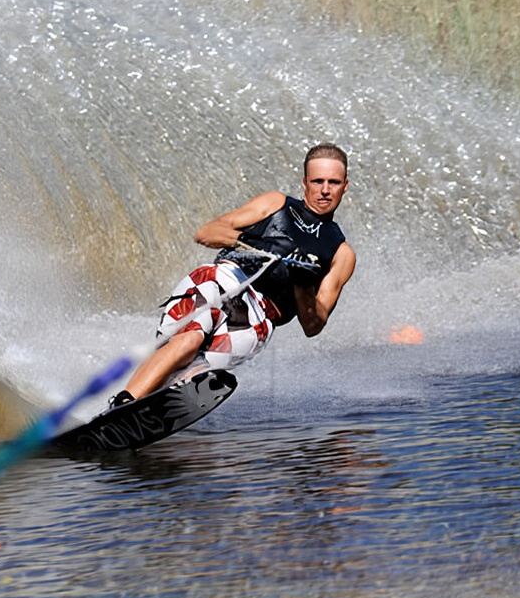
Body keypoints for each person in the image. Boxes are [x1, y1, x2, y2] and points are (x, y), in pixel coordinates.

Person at [111, 142, 356, 405]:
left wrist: (302, 284)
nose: (325, 190)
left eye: (333, 182)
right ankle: (123, 401)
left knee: (195, 373)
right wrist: (254, 244)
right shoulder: (276, 203)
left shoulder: (342, 254)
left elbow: (313, 326)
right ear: (305, 182)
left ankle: (140, 411)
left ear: (345, 186)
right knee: (188, 341)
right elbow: (207, 232)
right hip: (223, 281)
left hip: (260, 317)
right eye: (318, 181)